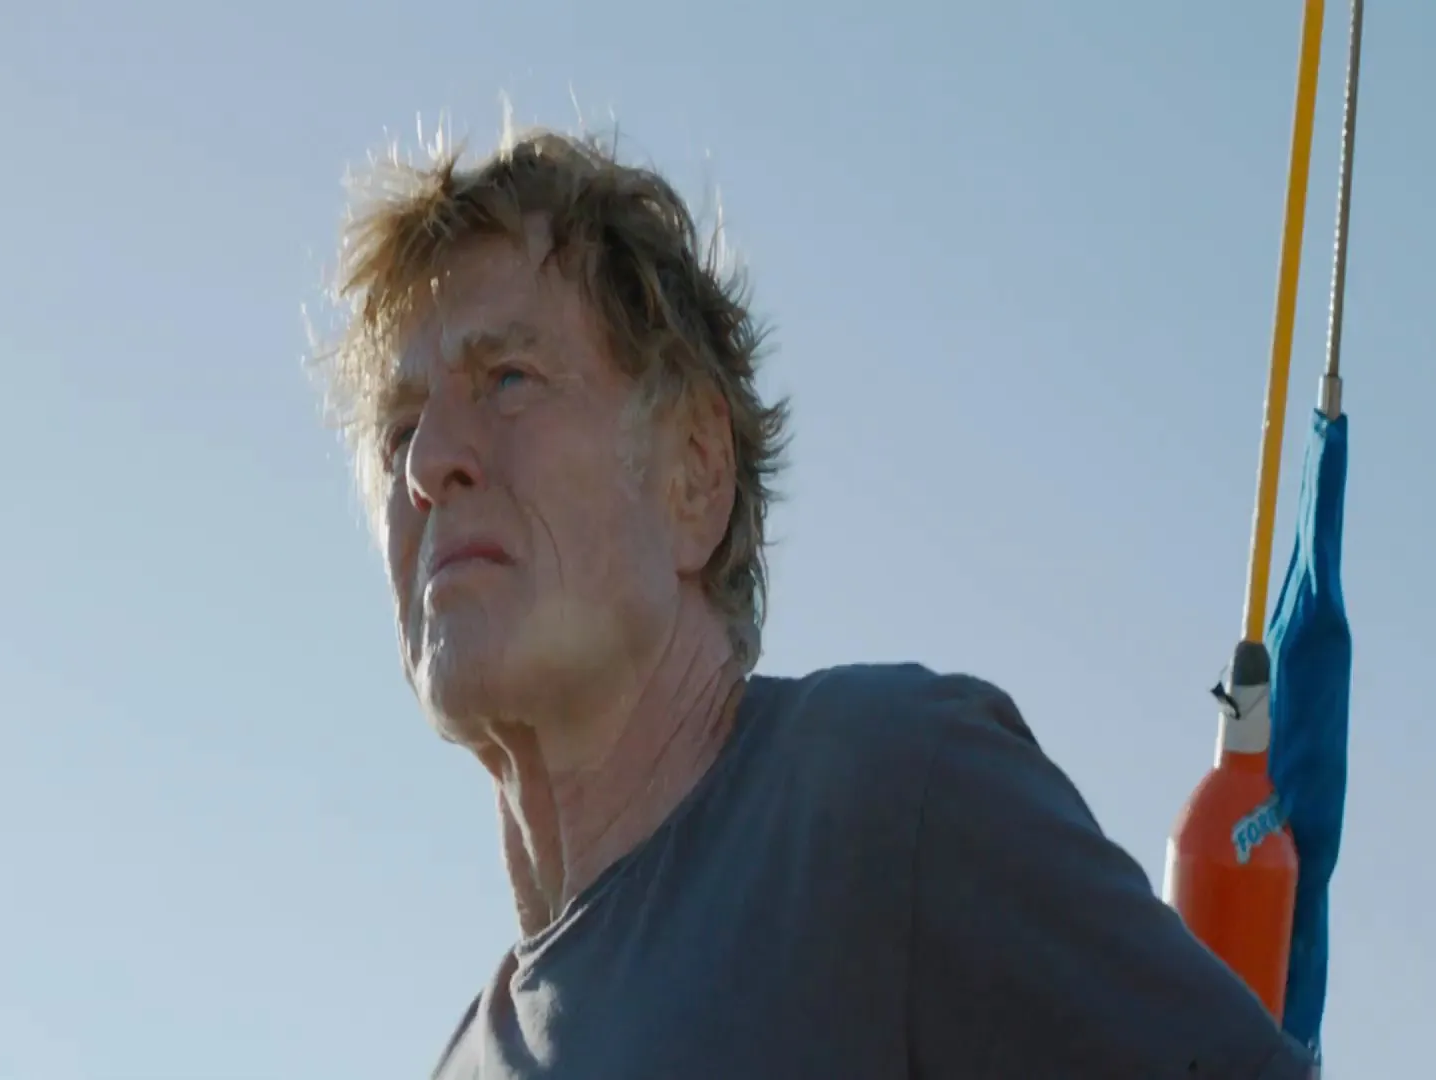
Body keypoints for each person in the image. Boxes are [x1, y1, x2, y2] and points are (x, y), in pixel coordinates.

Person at [319, 126, 1319, 1079]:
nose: (430, 461)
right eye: (399, 430)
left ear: (695, 474)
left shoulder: (887, 799)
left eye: (508, 378)